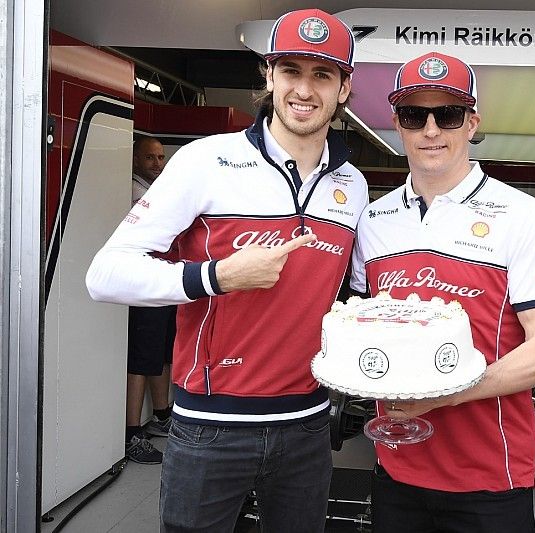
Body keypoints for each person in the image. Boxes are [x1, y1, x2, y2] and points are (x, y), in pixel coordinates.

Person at [86, 9, 368, 532]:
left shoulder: (351, 183)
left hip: (307, 425)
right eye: (291, 71)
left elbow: (341, 296)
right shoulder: (205, 160)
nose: (304, 89)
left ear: (344, 88)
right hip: (211, 427)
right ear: (268, 76)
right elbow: (105, 275)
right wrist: (213, 277)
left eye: (323, 75)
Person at [350, 51, 535, 532]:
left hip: (489, 478)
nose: (431, 130)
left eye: (446, 114)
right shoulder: (375, 220)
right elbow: (367, 331)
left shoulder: (521, 215)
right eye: (414, 115)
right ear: (397, 124)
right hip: (396, 468)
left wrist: (442, 397)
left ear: (472, 122)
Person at [125, 135, 175, 465]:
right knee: (142, 360)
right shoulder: (134, 191)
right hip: (142, 286)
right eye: (149, 158)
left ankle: (161, 416)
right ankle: (132, 434)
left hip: (163, 284)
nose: (156, 164)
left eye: (160, 158)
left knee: (160, 354)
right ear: (135, 160)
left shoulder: (154, 190)